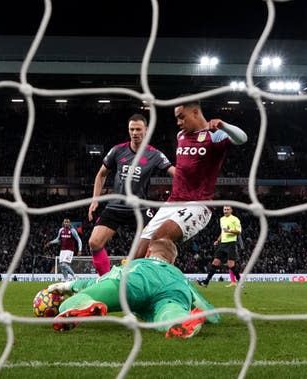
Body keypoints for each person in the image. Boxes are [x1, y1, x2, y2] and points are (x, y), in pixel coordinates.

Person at [134, 99, 248, 259]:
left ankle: (163, 281)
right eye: (176, 118)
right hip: (173, 201)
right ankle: (132, 281)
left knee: (160, 238)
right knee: (139, 249)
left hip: (198, 203)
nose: (178, 122)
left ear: (195, 113)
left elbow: (242, 138)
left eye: (181, 117)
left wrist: (223, 125)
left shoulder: (214, 135)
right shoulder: (181, 135)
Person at [48, 239, 220, 339]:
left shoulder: (137, 263)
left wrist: (67, 285)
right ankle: (180, 319)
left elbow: (99, 280)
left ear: (148, 252)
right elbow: (201, 303)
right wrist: (212, 316)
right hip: (172, 290)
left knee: (71, 303)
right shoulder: (178, 274)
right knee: (169, 312)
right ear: (172, 261)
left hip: (134, 283)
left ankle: (85, 304)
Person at [87, 114, 175, 277]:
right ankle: (107, 280)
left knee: (157, 244)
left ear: (146, 130)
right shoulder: (118, 150)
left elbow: (174, 173)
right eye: (132, 129)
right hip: (116, 206)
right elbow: (101, 174)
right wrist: (95, 200)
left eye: (138, 129)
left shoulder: (154, 154)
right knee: (94, 242)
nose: (134, 132)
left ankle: (155, 280)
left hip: (140, 208)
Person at [198, 205, 242, 288]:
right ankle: (206, 282)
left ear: (231, 210)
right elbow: (223, 232)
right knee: (215, 262)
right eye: (224, 209)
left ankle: (240, 280)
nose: (226, 211)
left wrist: (229, 230)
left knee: (230, 265)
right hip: (223, 244)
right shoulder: (222, 219)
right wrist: (218, 240)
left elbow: (239, 232)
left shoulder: (235, 219)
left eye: (228, 209)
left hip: (231, 243)